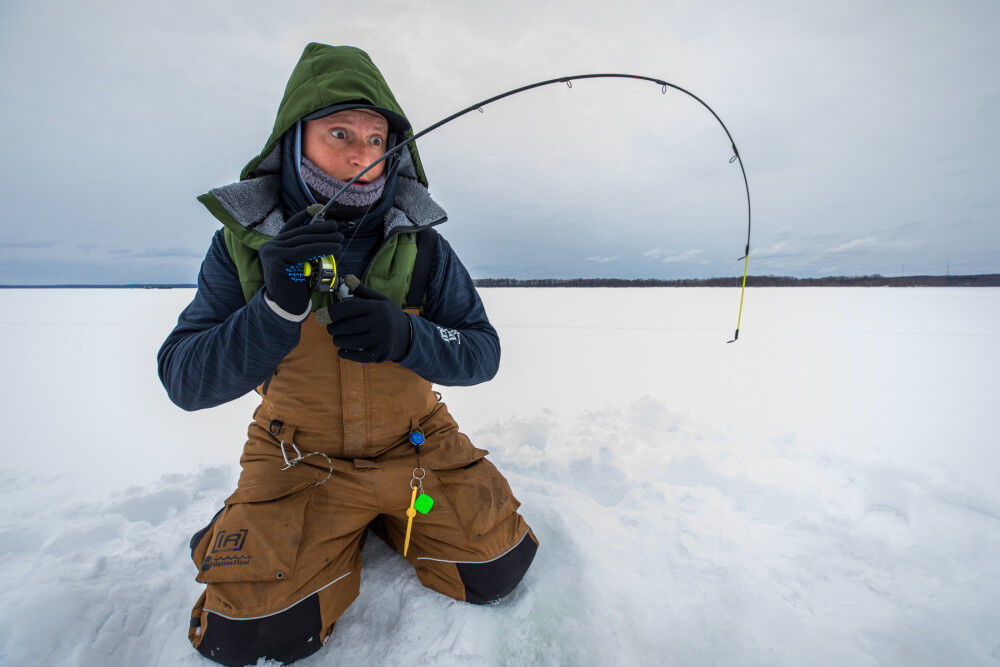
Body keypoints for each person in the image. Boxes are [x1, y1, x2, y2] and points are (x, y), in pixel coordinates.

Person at [157, 42, 538, 666]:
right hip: (298, 454)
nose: (363, 155)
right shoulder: (240, 249)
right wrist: (274, 308)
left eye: (376, 137)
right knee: (248, 637)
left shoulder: (424, 249)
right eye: (339, 133)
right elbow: (183, 379)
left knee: (497, 571)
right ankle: (272, 525)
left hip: (417, 445)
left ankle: (374, 521)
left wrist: (409, 337)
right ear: (293, 140)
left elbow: (482, 351)